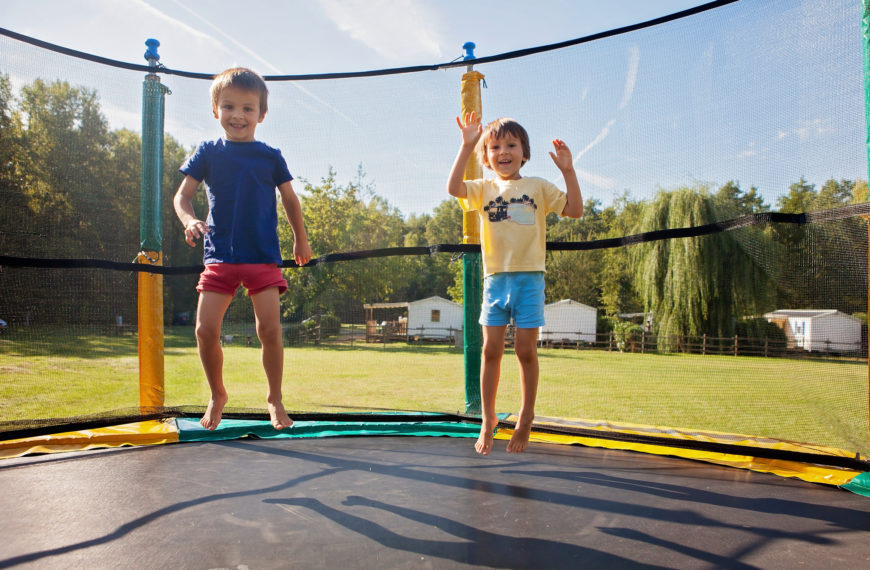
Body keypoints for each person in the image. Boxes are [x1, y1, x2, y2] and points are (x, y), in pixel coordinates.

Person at [173, 67, 312, 431]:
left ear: (261, 115)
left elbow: (290, 200)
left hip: (262, 256)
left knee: (269, 329)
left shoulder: (270, 156)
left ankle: (274, 399)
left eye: (248, 108)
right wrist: (189, 221)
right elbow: (182, 197)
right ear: (216, 110)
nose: (238, 115)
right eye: (229, 106)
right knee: (204, 330)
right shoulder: (207, 152)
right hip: (219, 255)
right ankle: (218, 393)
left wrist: (300, 238)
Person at [447, 113, 583, 455]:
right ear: (486, 156)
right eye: (494, 146)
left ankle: (525, 418)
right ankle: (487, 417)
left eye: (511, 145)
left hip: (529, 280)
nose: (503, 151)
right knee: (490, 350)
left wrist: (567, 170)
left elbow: (576, 210)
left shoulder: (537, 186)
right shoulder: (483, 189)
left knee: (525, 351)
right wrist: (466, 145)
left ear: (525, 152)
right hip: (495, 281)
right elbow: (453, 189)